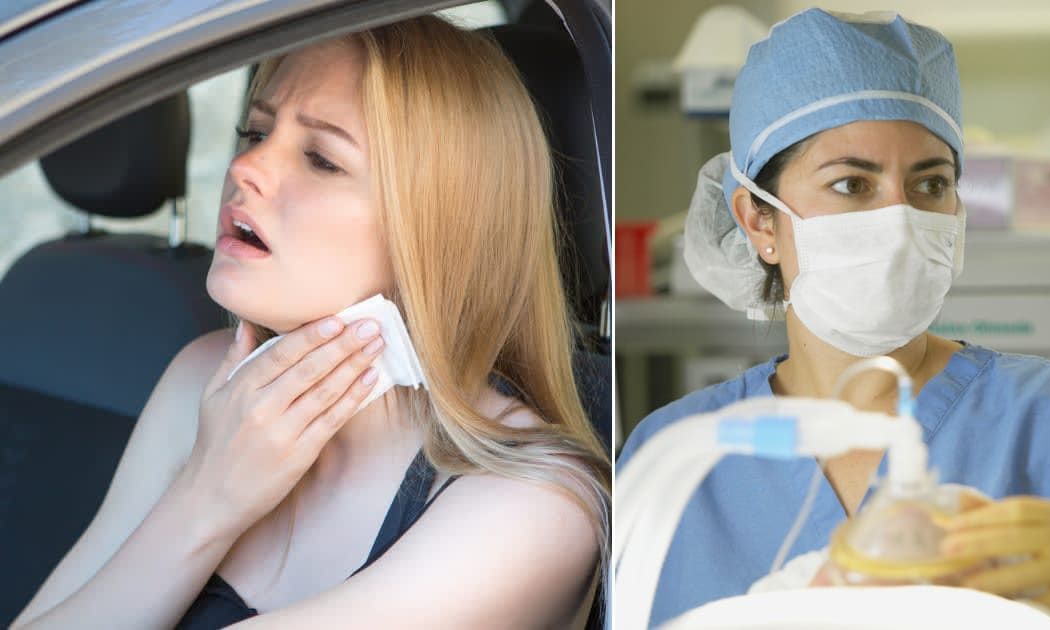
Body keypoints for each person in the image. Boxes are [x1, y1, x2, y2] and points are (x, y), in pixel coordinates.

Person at [13, 15, 609, 630]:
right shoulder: (202, 378)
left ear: (439, 232)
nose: (246, 169)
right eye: (254, 132)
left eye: (321, 159)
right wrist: (203, 496)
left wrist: (210, 498)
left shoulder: (535, 505)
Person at [617, 8, 1050, 629]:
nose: (898, 220)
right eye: (851, 185)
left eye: (929, 185)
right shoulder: (677, 456)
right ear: (760, 221)